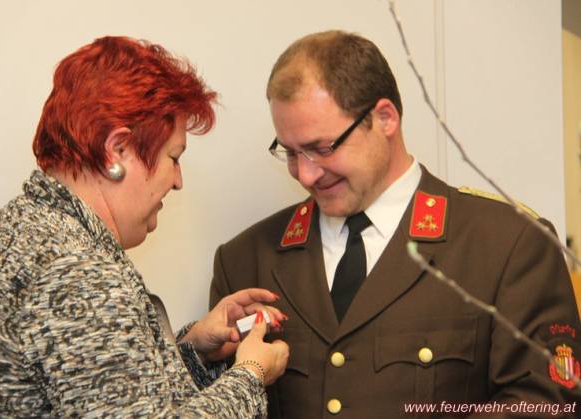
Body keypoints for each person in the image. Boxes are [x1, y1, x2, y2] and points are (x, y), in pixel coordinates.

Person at [210, 30, 581, 418]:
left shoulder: (508, 244)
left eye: (322, 149)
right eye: (290, 152)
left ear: (384, 118)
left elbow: (545, 404)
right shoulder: (246, 259)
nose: (305, 175)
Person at [0, 36, 289, 417]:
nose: (178, 181)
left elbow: (99, 395)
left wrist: (193, 352)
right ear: (117, 151)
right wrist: (250, 374)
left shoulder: (11, 234)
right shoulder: (79, 271)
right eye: (173, 157)